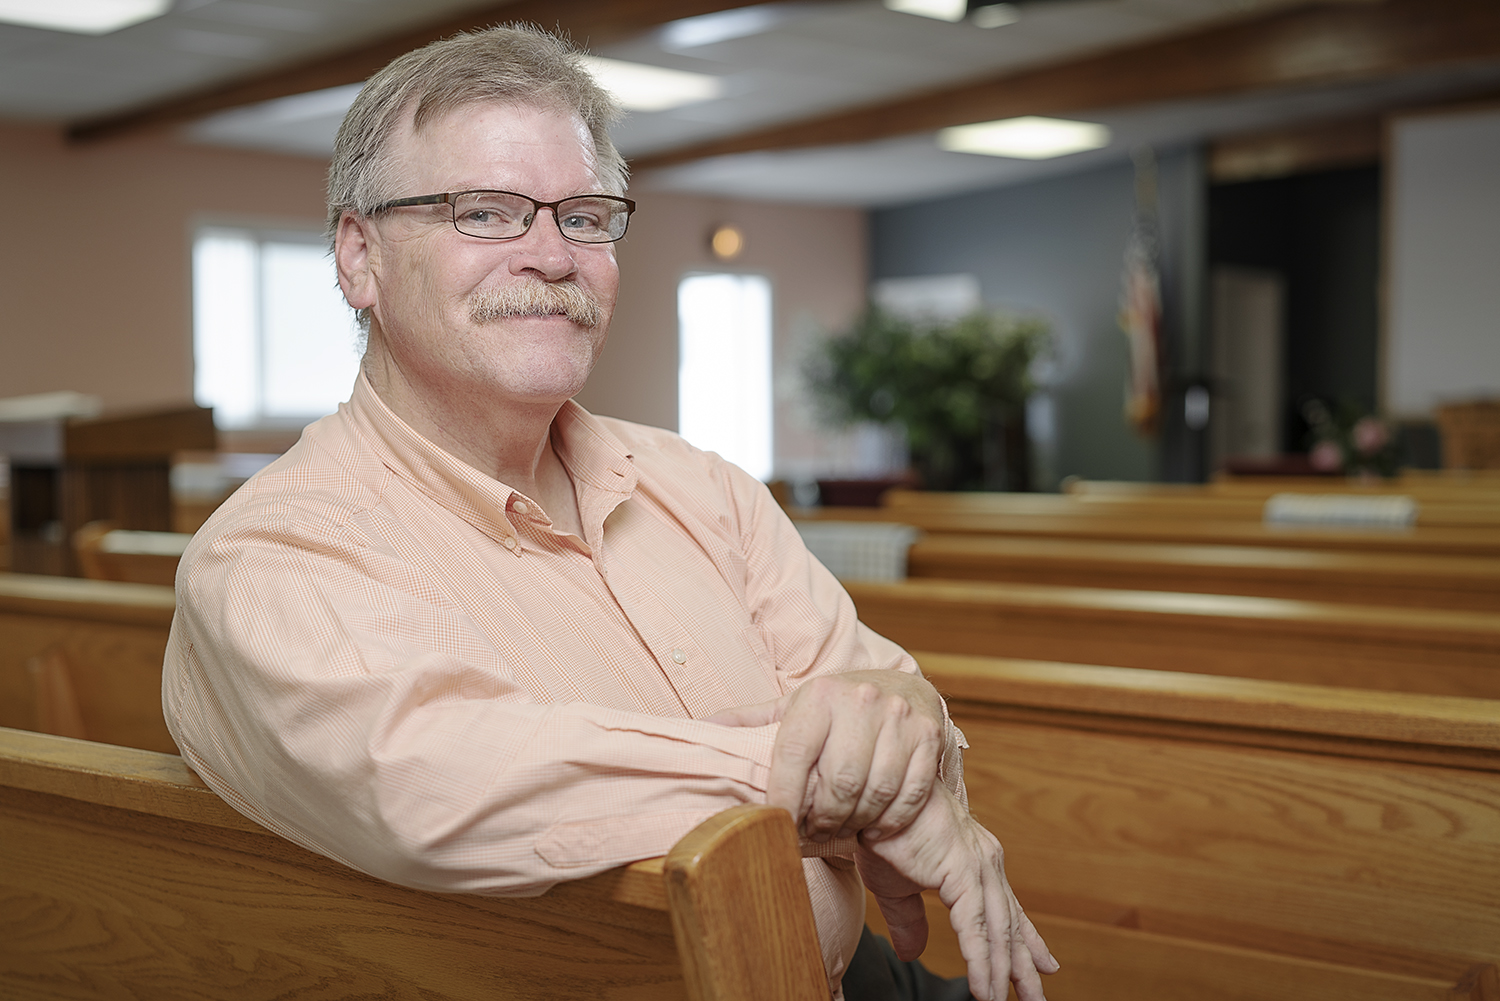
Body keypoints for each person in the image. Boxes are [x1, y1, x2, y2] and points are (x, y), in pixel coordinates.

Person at [162, 24, 1056, 1001]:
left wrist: (906, 739)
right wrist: (811, 785)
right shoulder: (272, 552)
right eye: (487, 212)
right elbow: (440, 774)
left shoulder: (701, 483)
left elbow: (875, 683)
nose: (552, 254)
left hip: (858, 974)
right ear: (358, 255)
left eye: (585, 216)